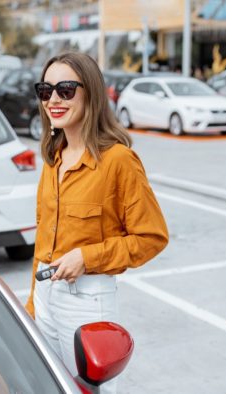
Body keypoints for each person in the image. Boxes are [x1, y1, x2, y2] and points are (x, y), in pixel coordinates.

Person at [25, 52, 168, 393]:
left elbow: (152, 237)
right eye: (46, 91)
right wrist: (32, 303)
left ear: (91, 92)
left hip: (86, 301)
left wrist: (86, 258)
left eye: (66, 89)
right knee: (49, 386)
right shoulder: (53, 158)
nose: (54, 100)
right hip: (45, 295)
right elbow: (43, 240)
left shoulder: (118, 161)